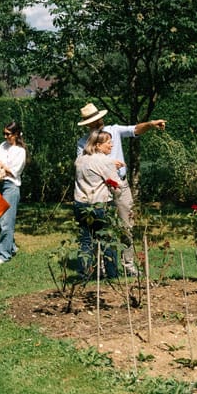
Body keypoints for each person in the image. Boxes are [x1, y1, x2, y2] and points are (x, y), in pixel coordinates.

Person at [77, 101, 166, 275]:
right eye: (95, 120)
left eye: (100, 118)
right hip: (100, 189)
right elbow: (82, 164)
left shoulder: (114, 130)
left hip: (121, 185)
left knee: (127, 225)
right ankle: (102, 266)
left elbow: (135, 129)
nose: (99, 122)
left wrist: (150, 124)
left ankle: (129, 265)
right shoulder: (83, 142)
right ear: (88, 124)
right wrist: (109, 164)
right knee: (100, 228)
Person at [74, 130, 121, 280]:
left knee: (85, 240)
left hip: (80, 204)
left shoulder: (80, 160)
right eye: (109, 142)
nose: (112, 145)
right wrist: (116, 171)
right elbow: (116, 186)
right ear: (98, 145)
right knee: (107, 239)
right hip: (100, 205)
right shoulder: (105, 161)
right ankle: (112, 275)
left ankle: (84, 275)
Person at [0, 120, 26, 264]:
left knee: (6, 221)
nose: (5, 137)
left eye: (8, 134)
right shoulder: (3, 146)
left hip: (11, 187)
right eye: (3, 134)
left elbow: (14, 171)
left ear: (16, 134)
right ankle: (10, 246)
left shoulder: (20, 151)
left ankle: (4, 254)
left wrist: (2, 166)